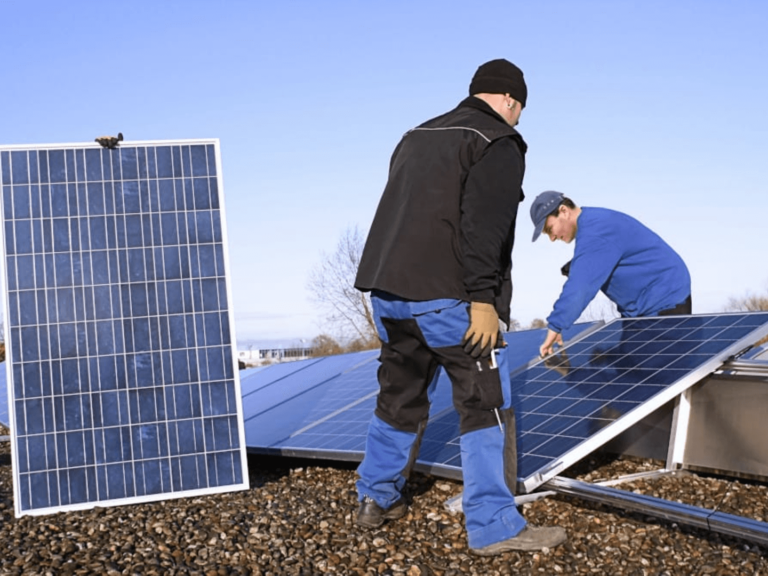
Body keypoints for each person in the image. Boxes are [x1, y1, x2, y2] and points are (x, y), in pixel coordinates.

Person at [353, 59, 567, 555]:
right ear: (511, 100)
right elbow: (483, 226)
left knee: (399, 396)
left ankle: (375, 498)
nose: (518, 121)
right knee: (485, 402)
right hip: (449, 297)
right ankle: (494, 525)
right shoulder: (496, 140)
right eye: (521, 111)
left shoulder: (416, 135)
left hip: (387, 293)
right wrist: (483, 300)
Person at [530, 191, 692, 357]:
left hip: (664, 301)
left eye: (550, 229)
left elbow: (580, 287)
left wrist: (555, 326)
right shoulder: (593, 225)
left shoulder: (596, 230)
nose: (552, 238)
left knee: (655, 372)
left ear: (564, 211)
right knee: (628, 368)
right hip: (638, 310)